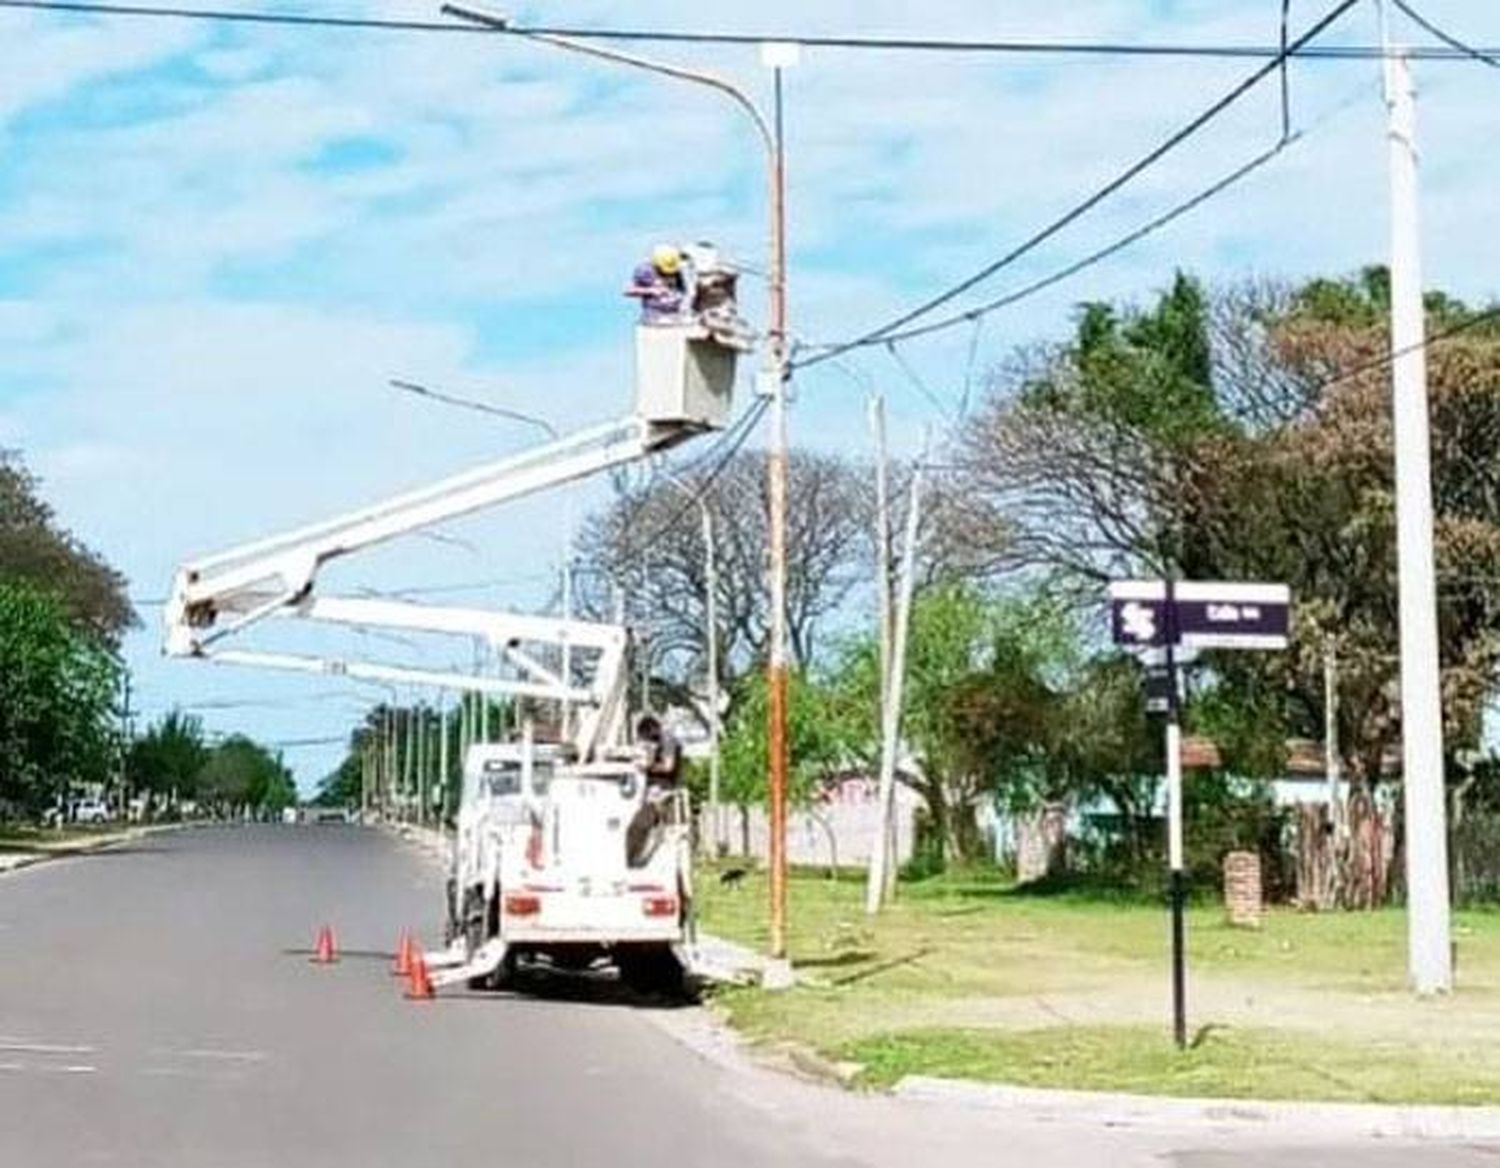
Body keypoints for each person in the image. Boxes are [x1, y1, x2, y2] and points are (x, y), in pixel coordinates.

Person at [625, 713, 682, 867]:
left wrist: (648, 766)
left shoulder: (668, 740)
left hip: (663, 792)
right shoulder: (658, 740)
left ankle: (631, 860)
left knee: (638, 826)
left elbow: (668, 766)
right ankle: (633, 858)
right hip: (651, 792)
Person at [624, 245, 688, 324]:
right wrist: (651, 291)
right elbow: (628, 290)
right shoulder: (644, 270)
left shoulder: (676, 267)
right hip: (654, 316)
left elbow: (683, 289)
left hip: (677, 314)